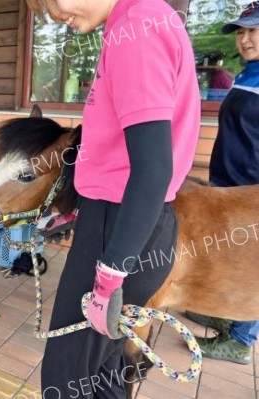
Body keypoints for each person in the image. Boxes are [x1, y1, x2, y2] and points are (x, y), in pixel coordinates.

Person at [25, 0, 200, 398]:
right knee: (101, 374)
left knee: (64, 381)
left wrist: (108, 278)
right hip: (127, 222)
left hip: (120, 228)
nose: (55, 16)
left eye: (52, 2)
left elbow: (153, 169)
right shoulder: (142, 17)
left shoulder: (136, 27)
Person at [185, 2, 259, 366]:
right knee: (222, 252)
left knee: (250, 261)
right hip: (228, 182)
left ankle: (243, 340)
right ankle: (221, 310)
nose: (245, 39)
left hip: (252, 192)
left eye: (253, 31)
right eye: (241, 32)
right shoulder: (246, 74)